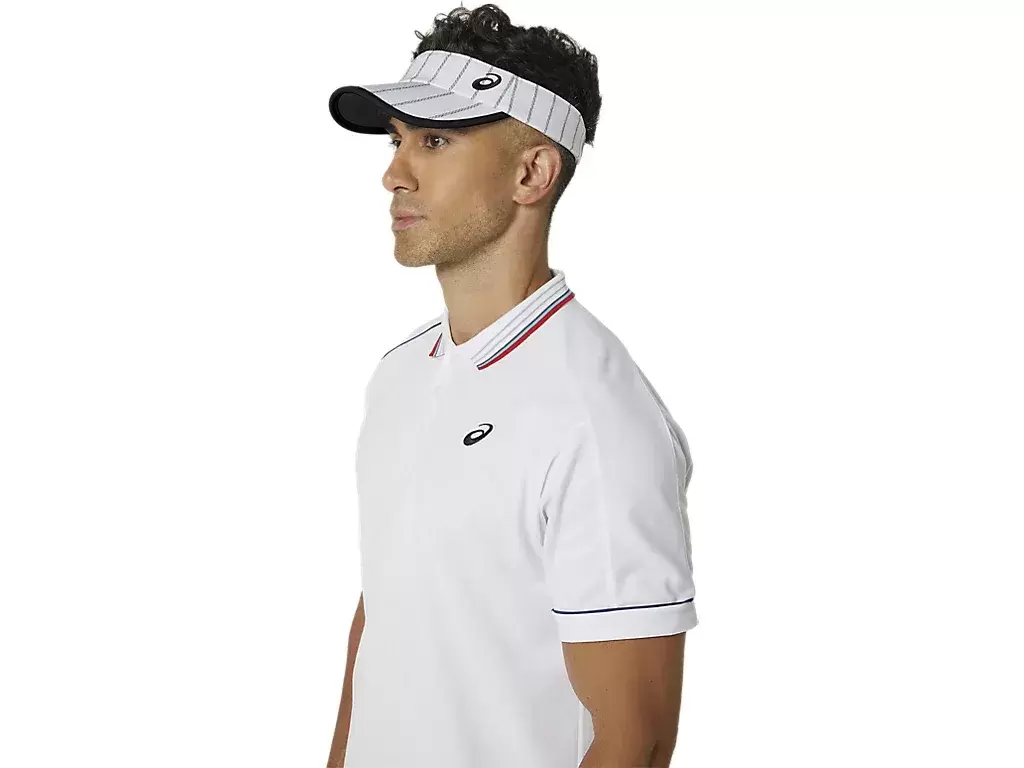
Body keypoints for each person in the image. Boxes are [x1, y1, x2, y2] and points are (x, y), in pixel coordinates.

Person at [324, 5, 698, 767]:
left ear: (532, 173)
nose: (395, 174)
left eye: (435, 141)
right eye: (397, 140)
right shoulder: (401, 373)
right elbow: (385, 619)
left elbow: (636, 741)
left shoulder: (595, 416)